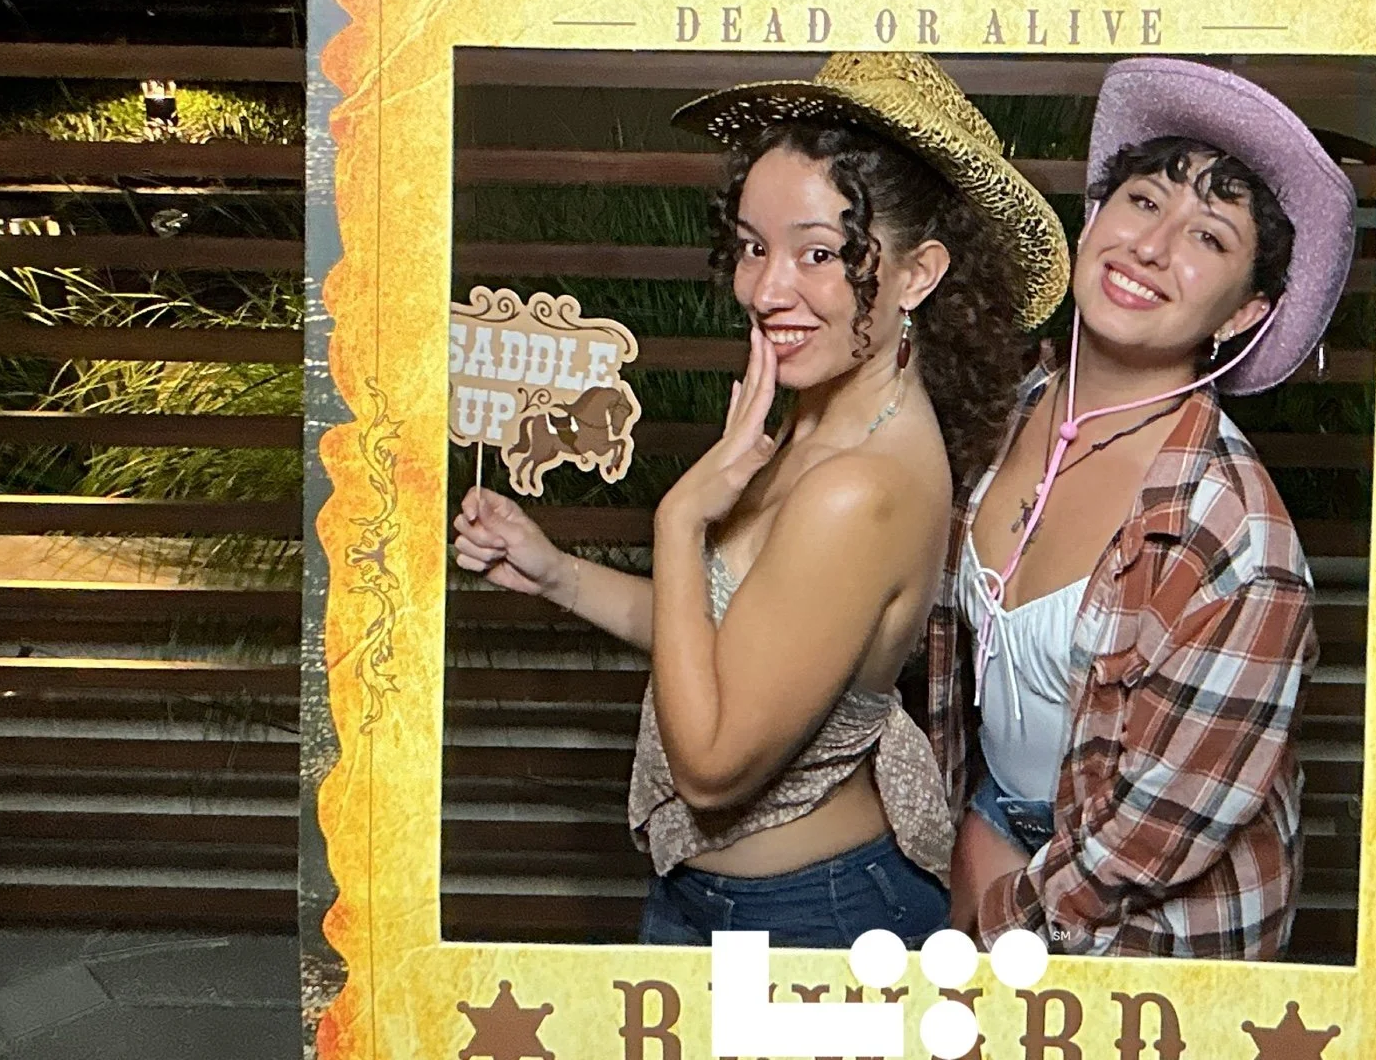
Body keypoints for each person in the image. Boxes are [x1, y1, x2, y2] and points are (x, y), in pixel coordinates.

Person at [452, 52, 1068, 948]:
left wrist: (678, 520)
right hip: (719, 903)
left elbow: (709, 770)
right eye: (753, 246)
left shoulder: (859, 489)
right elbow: (731, 636)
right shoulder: (819, 422)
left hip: (807, 922)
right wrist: (558, 575)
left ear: (917, 274)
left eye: (820, 253)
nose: (767, 290)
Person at [927, 58, 1357, 958]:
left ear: (1244, 316)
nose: (1154, 248)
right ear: (1094, 216)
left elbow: (1148, 841)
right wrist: (966, 830)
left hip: (1144, 928)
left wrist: (991, 909)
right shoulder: (1003, 410)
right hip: (990, 835)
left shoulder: (1236, 540)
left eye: (1210, 239)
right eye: (1144, 200)